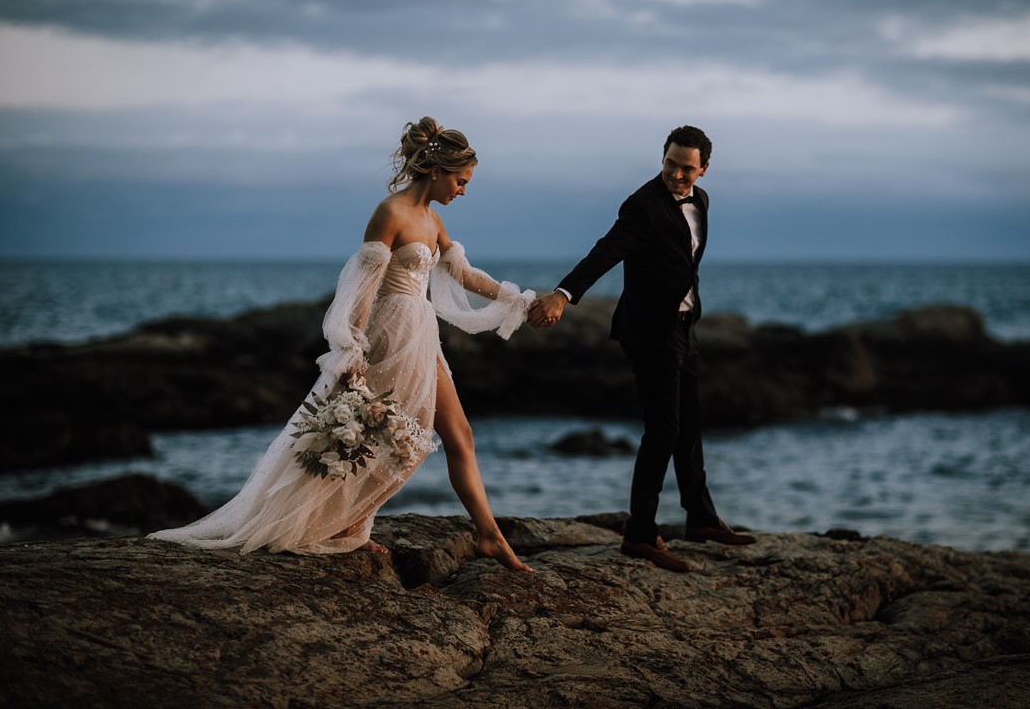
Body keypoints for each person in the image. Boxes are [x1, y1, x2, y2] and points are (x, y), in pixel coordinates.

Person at [150, 116, 533, 572]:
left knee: (447, 434)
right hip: (389, 334)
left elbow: (464, 275)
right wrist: (352, 350)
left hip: (422, 334)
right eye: (461, 180)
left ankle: (484, 535)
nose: (463, 191)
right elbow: (361, 287)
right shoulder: (390, 213)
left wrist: (520, 300)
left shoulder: (434, 220)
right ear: (436, 169)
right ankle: (344, 528)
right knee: (378, 435)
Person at [528, 125, 754, 573]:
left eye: (687, 167)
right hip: (649, 332)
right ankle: (639, 533)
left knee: (690, 423)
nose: (676, 173)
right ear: (663, 158)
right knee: (664, 428)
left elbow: (684, 263)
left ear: (704, 169)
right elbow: (605, 252)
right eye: (670, 163)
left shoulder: (701, 202)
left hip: (685, 326)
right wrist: (562, 294)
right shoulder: (642, 206)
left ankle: (701, 519)